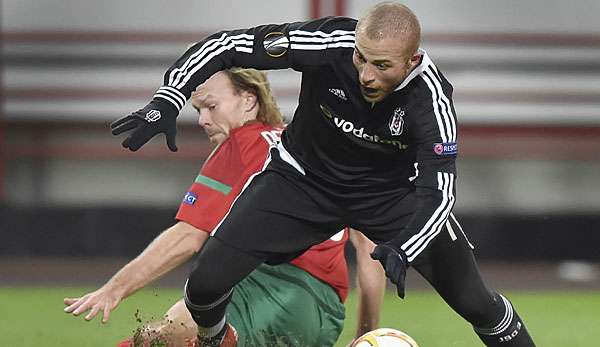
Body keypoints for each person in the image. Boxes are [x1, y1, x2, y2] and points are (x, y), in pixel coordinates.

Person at [110, 2, 536, 346]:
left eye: (382, 66)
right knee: (204, 285)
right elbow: (227, 46)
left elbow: (439, 192)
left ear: (413, 60)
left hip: (392, 196)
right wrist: (170, 95)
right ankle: (216, 341)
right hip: (302, 181)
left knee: (477, 302)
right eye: (360, 58)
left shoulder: (432, 102)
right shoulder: (328, 41)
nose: (366, 75)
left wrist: (406, 247)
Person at [65, 68, 386, 347]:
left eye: (211, 106)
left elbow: (188, 236)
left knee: (160, 337)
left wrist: (115, 289)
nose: (203, 120)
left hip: (270, 290)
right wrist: (366, 333)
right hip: (324, 315)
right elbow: (371, 248)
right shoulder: (311, 147)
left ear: (248, 100)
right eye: (198, 109)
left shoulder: (243, 143)